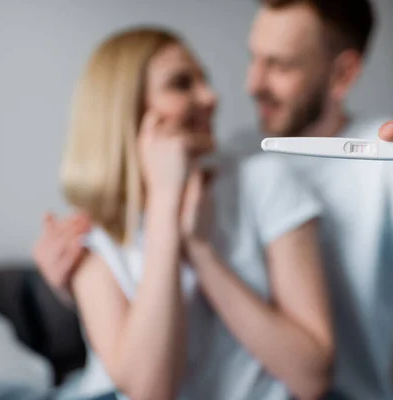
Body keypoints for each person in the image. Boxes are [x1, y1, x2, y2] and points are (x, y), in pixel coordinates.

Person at [35, 1, 393, 399]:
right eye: (254, 58)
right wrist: (78, 292)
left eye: (278, 66)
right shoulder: (233, 155)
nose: (247, 84)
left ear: (342, 74)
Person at [37, 26, 335, 400]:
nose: (210, 97)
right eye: (181, 84)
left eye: (203, 80)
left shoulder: (264, 181)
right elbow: (148, 392)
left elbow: (312, 378)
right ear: (127, 110)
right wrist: (165, 207)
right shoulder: (90, 235)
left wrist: (201, 251)